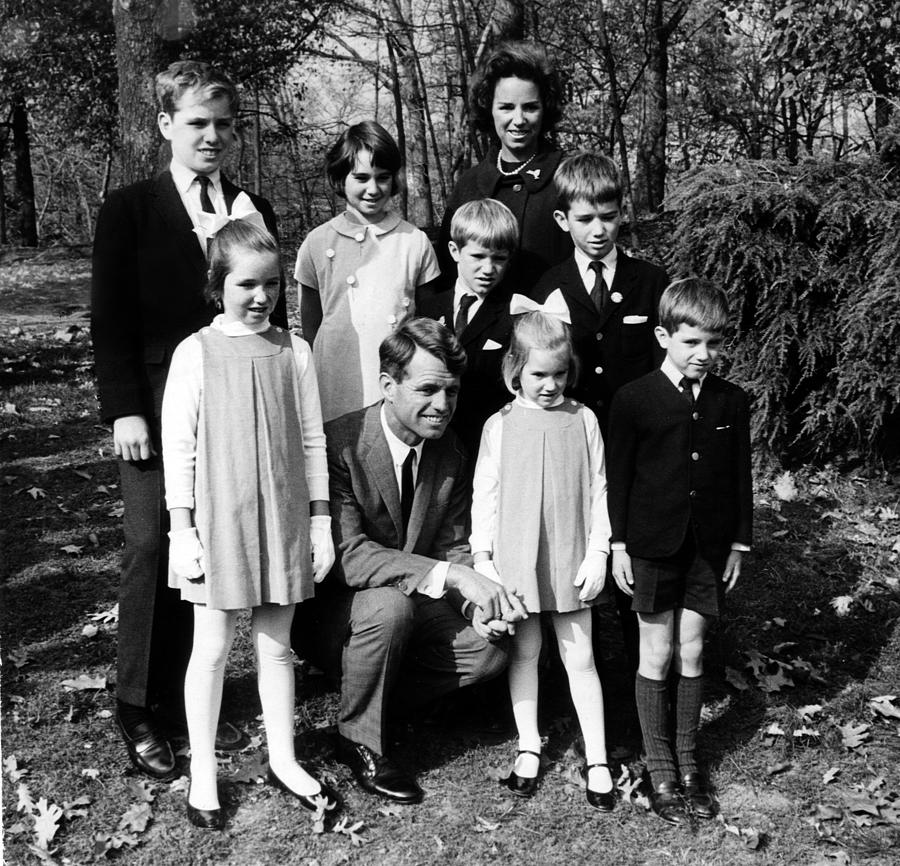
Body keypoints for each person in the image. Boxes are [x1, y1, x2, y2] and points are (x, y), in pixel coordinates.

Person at [90, 60, 287, 779]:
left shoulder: (249, 204)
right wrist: (122, 410)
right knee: (151, 542)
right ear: (167, 125)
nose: (211, 136)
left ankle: (184, 701)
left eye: (223, 124)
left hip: (232, 407)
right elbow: (109, 318)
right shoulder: (131, 208)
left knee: (200, 548)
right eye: (196, 122)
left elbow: (271, 314)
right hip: (153, 402)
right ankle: (136, 703)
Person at [293, 317, 527, 805]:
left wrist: (473, 608)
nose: (442, 406)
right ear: (388, 385)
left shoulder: (452, 452)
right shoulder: (341, 445)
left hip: (409, 599)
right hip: (333, 612)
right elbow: (349, 556)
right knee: (386, 608)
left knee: (490, 651)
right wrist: (455, 576)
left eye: (452, 392)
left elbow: (452, 545)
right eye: (427, 389)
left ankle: (376, 698)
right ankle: (359, 738)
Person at [161, 220, 337, 830]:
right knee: (210, 649)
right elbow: (178, 446)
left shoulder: (296, 350)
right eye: (245, 285)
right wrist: (181, 529)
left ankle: (284, 758)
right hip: (219, 520)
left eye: (270, 285)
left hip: (284, 517)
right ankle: (204, 769)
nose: (260, 297)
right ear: (218, 285)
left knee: (275, 646)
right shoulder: (196, 352)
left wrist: (320, 524)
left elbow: (312, 441)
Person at [607, 278, 753, 826]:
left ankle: (690, 762)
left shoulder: (730, 400)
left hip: (706, 551)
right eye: (692, 343)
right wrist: (619, 544)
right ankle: (660, 766)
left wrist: (739, 542)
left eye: (714, 344)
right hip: (649, 547)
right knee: (656, 653)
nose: (704, 355)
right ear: (665, 335)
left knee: (692, 652)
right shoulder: (634, 399)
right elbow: (616, 479)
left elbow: (741, 476)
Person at [470, 302, 616, 811]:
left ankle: (597, 756)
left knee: (581, 657)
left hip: (570, 556)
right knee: (525, 653)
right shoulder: (501, 425)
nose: (550, 385)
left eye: (558, 374)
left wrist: (598, 551)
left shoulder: (584, 420)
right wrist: (483, 557)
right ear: (515, 370)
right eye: (538, 375)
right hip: (517, 559)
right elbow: (484, 493)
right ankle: (529, 744)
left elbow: (600, 489)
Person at [529, 151, 669, 682]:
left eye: (608, 216)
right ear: (563, 220)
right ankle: (573, 679)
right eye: (585, 219)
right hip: (574, 444)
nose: (598, 229)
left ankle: (645, 680)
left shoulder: (650, 281)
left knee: (636, 564)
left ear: (622, 214)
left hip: (637, 449)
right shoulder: (549, 286)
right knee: (578, 558)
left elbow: (666, 368)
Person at [295, 121, 441, 423]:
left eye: (382, 178)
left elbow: (426, 323)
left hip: (394, 375)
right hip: (335, 378)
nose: (373, 189)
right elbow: (311, 324)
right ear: (340, 178)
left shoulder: (413, 242)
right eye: (361, 177)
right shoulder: (318, 241)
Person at [437, 41, 571, 293]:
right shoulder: (469, 184)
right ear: (490, 109)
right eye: (507, 107)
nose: (518, 120)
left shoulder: (568, 177)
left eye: (530, 107)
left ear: (545, 109)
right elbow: (447, 274)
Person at [417, 198, 519, 459]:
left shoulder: (514, 313)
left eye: (499, 259)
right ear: (454, 250)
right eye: (477, 256)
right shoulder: (427, 309)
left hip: (489, 446)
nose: (488, 269)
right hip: (434, 448)